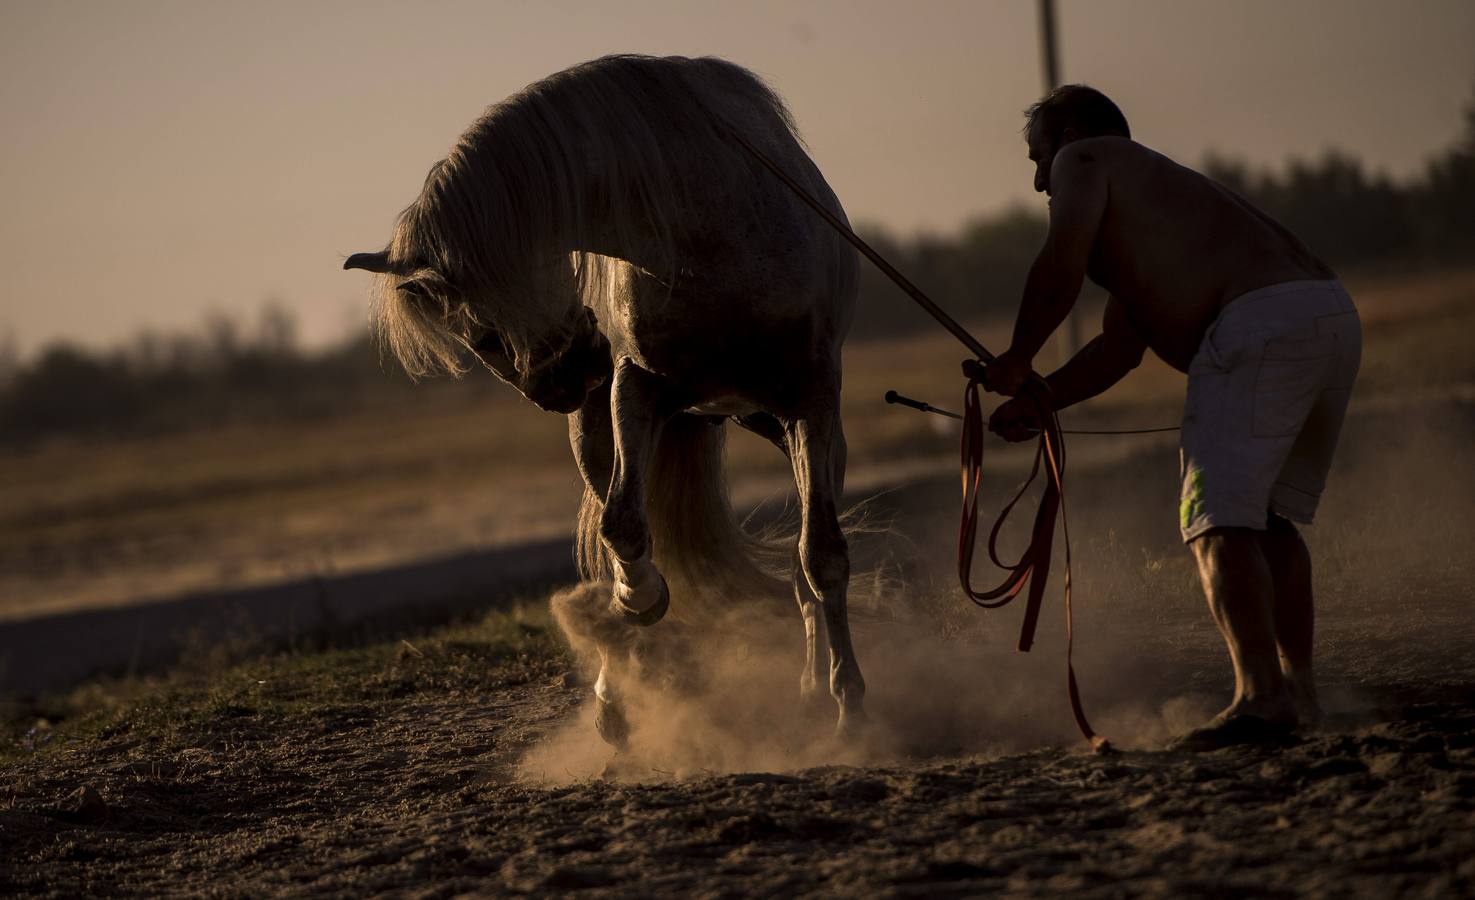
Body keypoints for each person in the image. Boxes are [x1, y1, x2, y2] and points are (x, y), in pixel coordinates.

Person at [983, 85, 1361, 750]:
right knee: (1267, 519)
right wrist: (1039, 400)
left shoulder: (1087, 159)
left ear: (1068, 132)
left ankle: (1259, 696)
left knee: (1215, 515)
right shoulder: (1157, 204)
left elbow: (1059, 263)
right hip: (1326, 314)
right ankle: (1297, 695)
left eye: (1037, 156)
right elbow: (1118, 350)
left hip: (1260, 323)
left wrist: (1017, 355)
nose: (1040, 179)